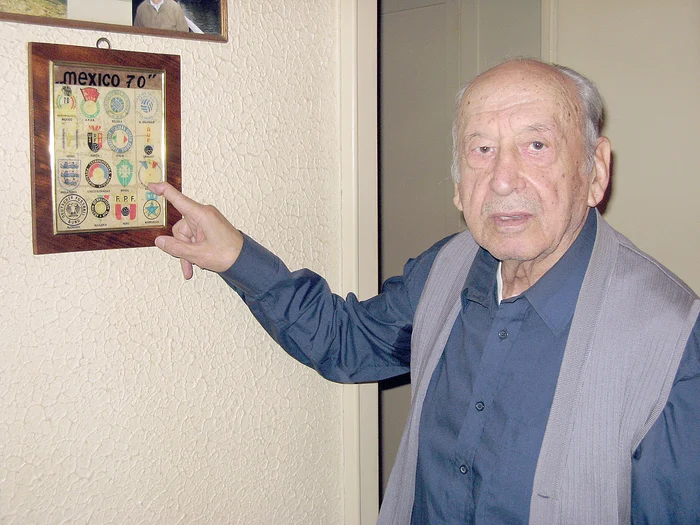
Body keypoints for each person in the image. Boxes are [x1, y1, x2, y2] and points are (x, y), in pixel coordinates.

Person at [149, 58, 700, 524]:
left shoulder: (672, 340)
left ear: (595, 171)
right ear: (459, 186)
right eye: (481, 150)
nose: (503, 179)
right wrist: (236, 256)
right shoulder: (447, 268)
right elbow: (348, 342)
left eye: (536, 145)